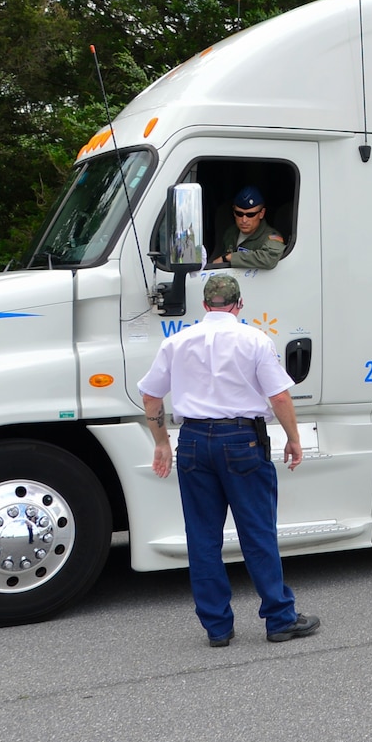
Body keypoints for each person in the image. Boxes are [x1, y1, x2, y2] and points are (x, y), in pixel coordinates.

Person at [139, 273, 320, 646]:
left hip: (191, 442)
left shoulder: (176, 342)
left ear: (205, 305)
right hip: (241, 440)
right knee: (257, 532)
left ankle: (217, 627)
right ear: (239, 304)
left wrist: (161, 443)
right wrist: (293, 438)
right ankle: (280, 618)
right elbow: (280, 397)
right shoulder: (254, 339)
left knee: (202, 537)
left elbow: (151, 397)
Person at [209, 185, 287, 270]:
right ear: (234, 212)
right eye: (239, 214)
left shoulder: (271, 237)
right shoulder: (230, 232)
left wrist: (230, 258)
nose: (244, 220)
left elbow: (269, 258)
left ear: (261, 213)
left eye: (250, 215)